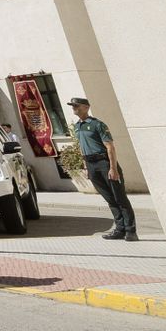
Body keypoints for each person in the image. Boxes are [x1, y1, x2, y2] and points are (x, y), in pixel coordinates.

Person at [69, 97, 137, 241]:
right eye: (73, 106)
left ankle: (131, 231)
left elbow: (110, 147)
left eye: (77, 105)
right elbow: (82, 148)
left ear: (86, 107)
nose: (74, 108)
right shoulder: (77, 126)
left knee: (120, 198)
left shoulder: (97, 124)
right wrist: (87, 167)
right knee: (109, 199)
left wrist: (113, 168)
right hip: (92, 165)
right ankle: (120, 229)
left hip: (104, 163)